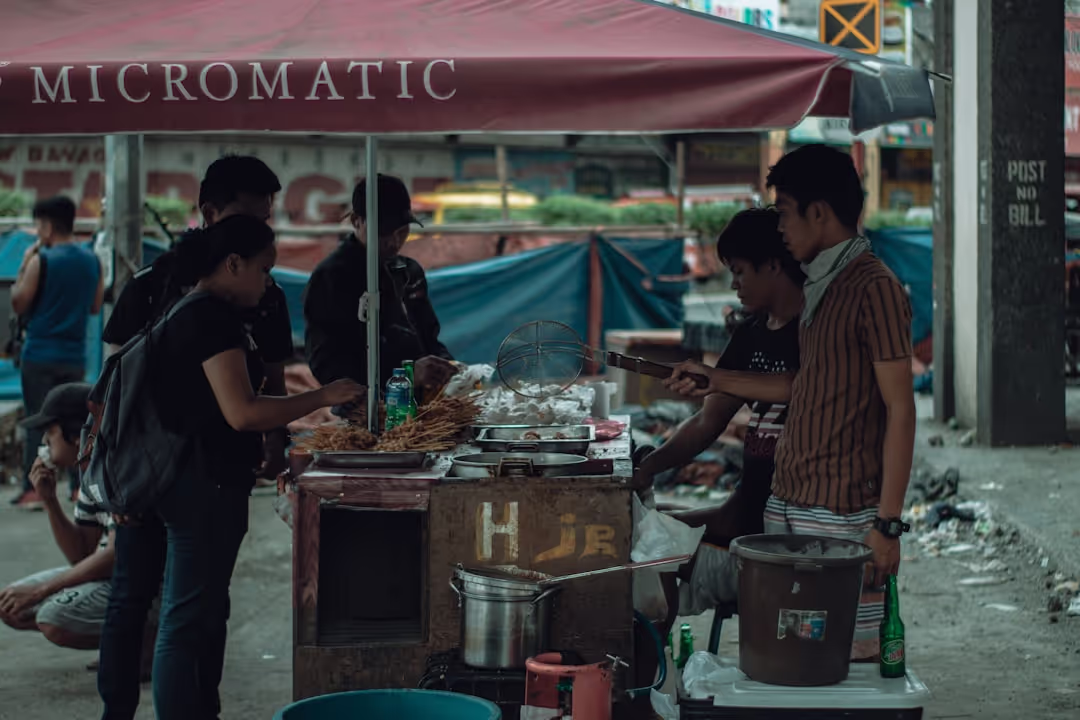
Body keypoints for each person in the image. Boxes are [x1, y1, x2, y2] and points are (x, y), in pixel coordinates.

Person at [668, 144, 916, 660]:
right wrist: (718, 380)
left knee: (847, 660)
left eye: (784, 211)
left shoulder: (874, 288)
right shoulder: (820, 288)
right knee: (794, 658)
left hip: (844, 516)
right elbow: (801, 387)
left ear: (819, 212)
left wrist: (886, 525)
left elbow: (900, 409)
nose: (778, 227)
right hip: (790, 510)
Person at [108, 215, 361, 720]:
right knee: (184, 622)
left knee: (196, 617)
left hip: (183, 479)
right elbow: (243, 412)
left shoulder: (187, 313)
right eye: (264, 270)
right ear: (232, 264)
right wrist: (323, 396)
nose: (269, 283)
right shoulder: (208, 320)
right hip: (198, 483)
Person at [96, 156, 292, 720]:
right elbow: (111, 387)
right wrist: (117, 473)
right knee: (139, 600)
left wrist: (275, 446)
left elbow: (272, 376)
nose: (259, 234)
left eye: (266, 220)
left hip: (222, 468)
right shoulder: (155, 286)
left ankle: (202, 707)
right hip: (161, 476)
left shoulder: (266, 290)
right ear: (209, 214)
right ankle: (120, 712)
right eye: (247, 219)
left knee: (205, 605)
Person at [634, 208, 803, 621]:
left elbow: (798, 385)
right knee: (642, 537)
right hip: (744, 511)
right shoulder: (751, 333)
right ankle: (658, 677)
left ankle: (652, 673)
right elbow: (708, 421)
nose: (734, 284)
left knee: (652, 557)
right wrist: (650, 466)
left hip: (786, 535)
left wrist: (720, 378)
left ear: (774, 265)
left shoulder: (815, 329)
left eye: (740, 271)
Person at [0, 383, 157, 661]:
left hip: (149, 585)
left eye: (50, 433)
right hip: (115, 577)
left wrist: (40, 592)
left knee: (51, 617)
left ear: (75, 434)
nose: (46, 444)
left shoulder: (117, 466)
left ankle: (145, 641)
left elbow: (115, 556)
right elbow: (81, 554)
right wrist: (49, 500)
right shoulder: (87, 471)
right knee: (11, 604)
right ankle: (123, 639)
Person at [304, 174, 458, 401]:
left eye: (402, 231)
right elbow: (329, 365)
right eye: (384, 232)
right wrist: (405, 375)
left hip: (423, 403)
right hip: (368, 407)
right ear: (357, 221)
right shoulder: (332, 278)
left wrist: (447, 365)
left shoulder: (408, 271)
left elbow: (427, 335)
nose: (395, 242)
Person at [10, 197, 103, 509]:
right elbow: (94, 305)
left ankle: (33, 489)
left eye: (38, 225)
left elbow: (18, 302)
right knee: (76, 423)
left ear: (47, 225)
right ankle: (79, 489)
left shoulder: (41, 260)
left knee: (38, 419)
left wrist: (24, 262)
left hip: (39, 355)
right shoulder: (92, 261)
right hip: (75, 356)